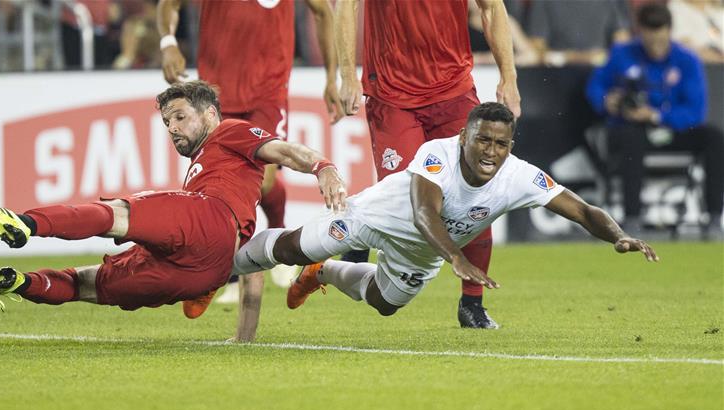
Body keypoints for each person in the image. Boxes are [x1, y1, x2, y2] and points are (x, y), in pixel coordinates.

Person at [0, 81, 347, 342]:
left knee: (119, 213)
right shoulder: (211, 171)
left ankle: (25, 223)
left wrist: (323, 168)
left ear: (209, 114)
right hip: (208, 269)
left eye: (180, 117)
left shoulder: (229, 131)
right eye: (167, 121)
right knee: (92, 284)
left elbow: (286, 150)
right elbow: (252, 266)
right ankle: (18, 282)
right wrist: (244, 339)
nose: (172, 128)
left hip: (207, 221)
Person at [230, 103, 659, 336]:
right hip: (371, 219)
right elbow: (423, 212)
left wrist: (618, 236)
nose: (491, 152)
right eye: (483, 140)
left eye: (501, 144)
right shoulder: (438, 154)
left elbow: (581, 209)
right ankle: (222, 266)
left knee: (383, 304)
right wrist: (456, 257)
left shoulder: (519, 176)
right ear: (463, 137)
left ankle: (323, 273)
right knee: (289, 248)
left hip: (423, 252)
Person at [334, 0, 520, 329]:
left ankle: (472, 302)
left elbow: (492, 7)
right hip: (392, 96)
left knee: (478, 192)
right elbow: (346, 6)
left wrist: (509, 76)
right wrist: (347, 74)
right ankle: (360, 237)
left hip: (453, 91)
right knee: (404, 199)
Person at [158, 0, 341, 302]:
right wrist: (168, 43)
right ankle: (223, 273)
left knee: (263, 180)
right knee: (215, 187)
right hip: (212, 97)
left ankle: (268, 237)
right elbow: (169, 4)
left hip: (267, 92)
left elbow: (323, 11)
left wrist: (332, 78)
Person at [586, 2, 723, 238]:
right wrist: (608, 100)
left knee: (714, 138)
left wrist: (656, 115)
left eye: (660, 41)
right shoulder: (622, 54)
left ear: (670, 31)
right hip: (631, 129)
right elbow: (595, 87)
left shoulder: (687, 60)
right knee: (630, 138)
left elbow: (695, 111)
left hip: (671, 128)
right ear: (641, 32)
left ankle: (713, 217)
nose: (656, 48)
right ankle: (632, 219)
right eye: (650, 41)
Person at [526, 0, 631, 66]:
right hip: (558, 73)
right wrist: (574, 58)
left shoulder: (614, 2)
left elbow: (622, 41)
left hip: (599, 70)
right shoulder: (543, 2)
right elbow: (537, 44)